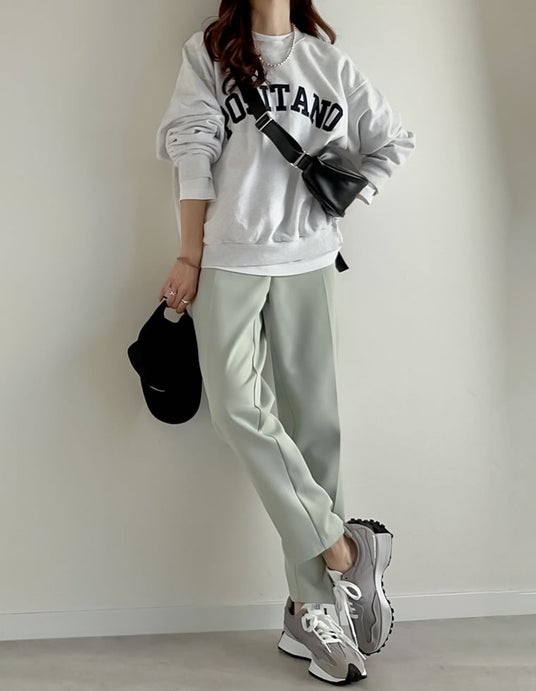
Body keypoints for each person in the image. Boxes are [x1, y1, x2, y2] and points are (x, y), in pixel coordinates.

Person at [155, 0, 415, 684]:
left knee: (314, 427)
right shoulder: (208, 53)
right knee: (236, 407)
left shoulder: (328, 63)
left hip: (309, 259)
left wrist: (343, 198)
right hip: (229, 258)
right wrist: (188, 254)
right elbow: (192, 150)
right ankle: (342, 548)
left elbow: (393, 141)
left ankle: (310, 610)